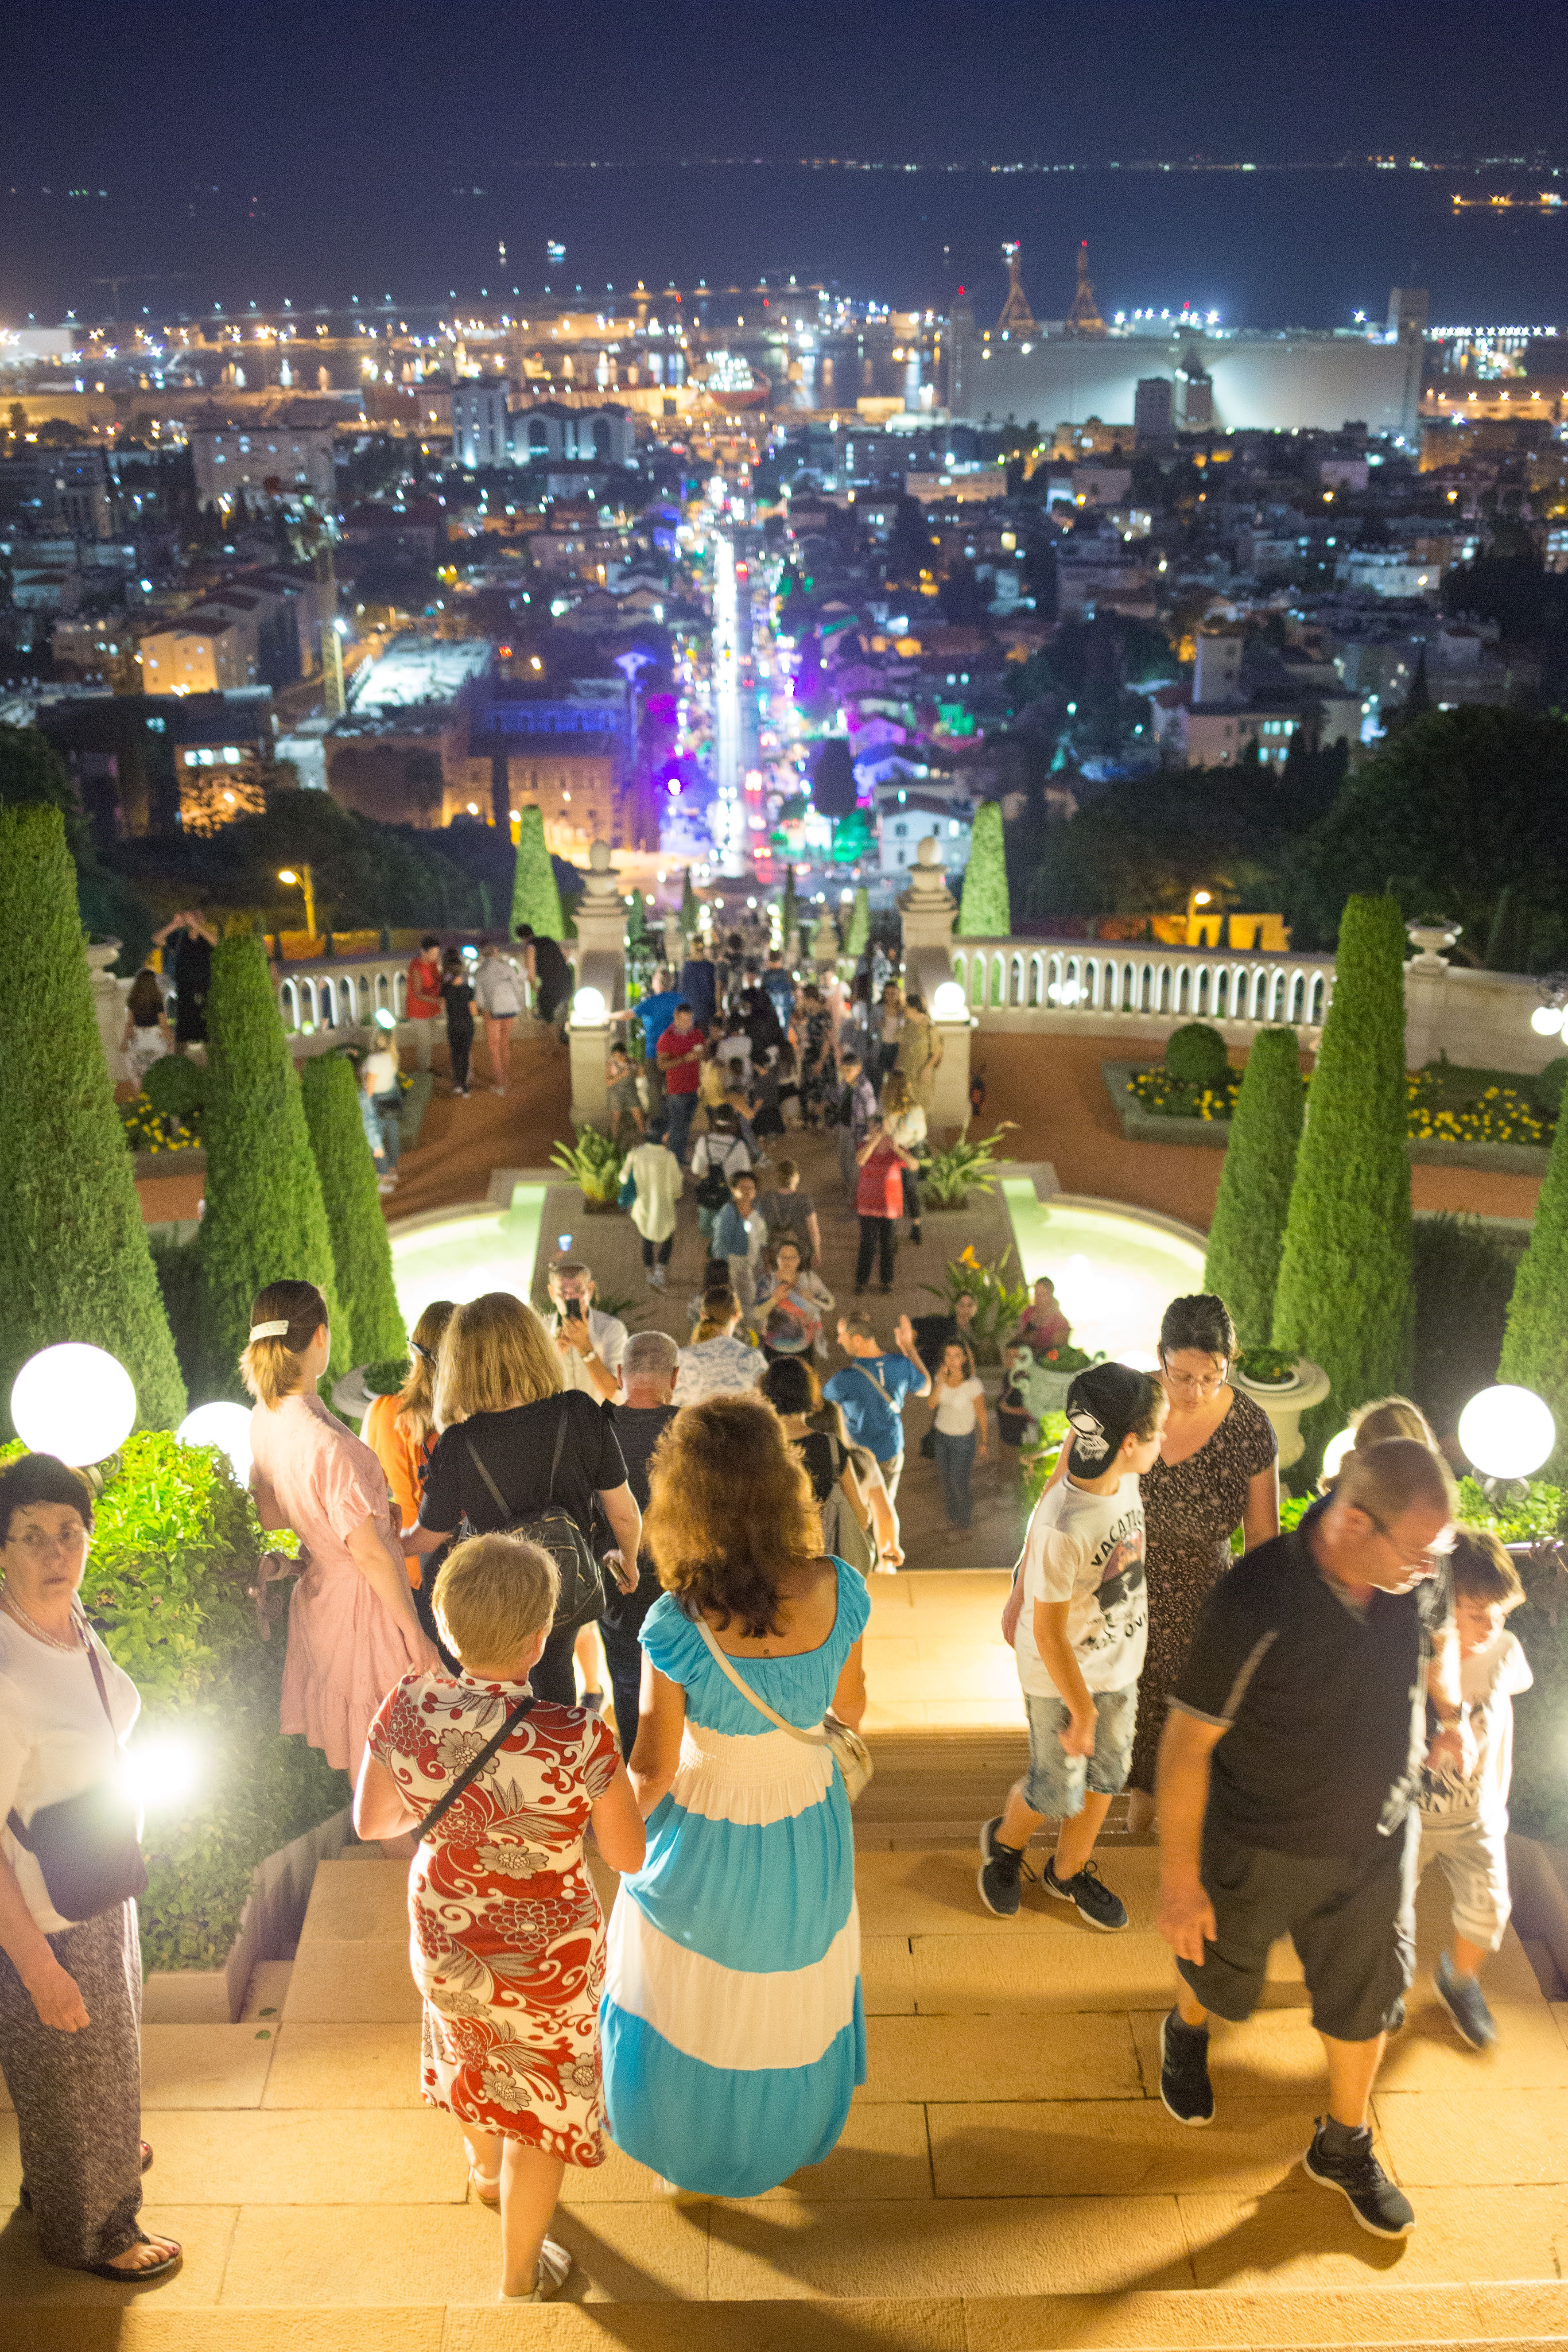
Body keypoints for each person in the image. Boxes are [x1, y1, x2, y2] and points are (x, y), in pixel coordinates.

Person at [1155, 1438, 1465, 2241]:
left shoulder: (1413, 1584)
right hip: (1260, 1837)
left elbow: (1440, 1647)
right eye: (1418, 1550)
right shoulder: (1257, 1598)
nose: (1430, 1570)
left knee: (1364, 1996)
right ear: (1354, 1521)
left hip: (1377, 1840)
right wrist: (1181, 1883)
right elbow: (1187, 1745)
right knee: (1216, 1973)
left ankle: (1343, 2143)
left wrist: (1450, 1717)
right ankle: (1186, 2029)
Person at [355, 1533, 645, 2304]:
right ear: (539, 1638)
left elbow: (374, 1820)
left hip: (445, 1929)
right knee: (541, 2108)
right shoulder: (578, 1739)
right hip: (549, 1954)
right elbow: (628, 1855)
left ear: (446, 1625)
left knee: (469, 2046)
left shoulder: (407, 1706)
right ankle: (519, 2278)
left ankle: (485, 2174)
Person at [601, 1393, 870, 2195]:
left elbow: (649, 1771)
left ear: (683, 1501)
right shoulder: (840, 1588)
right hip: (807, 1813)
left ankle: (693, 2153)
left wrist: (600, 1831)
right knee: (792, 1981)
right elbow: (849, 1711)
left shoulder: (675, 1626)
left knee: (698, 1997)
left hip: (710, 1823)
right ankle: (780, 2139)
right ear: (784, 1484)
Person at [0, 1454, 180, 2285]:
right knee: (75, 2062)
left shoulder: (66, 1622)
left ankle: (65, 2179)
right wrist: (36, 1965)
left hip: (100, 1877)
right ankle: (95, 2231)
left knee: (95, 2063)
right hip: (44, 1910)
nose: (52, 1552)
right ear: (2, 1548)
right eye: (31, 1536)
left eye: (67, 1532)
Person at [980, 1364, 1167, 1932]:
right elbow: (1047, 1633)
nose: (1165, 1441)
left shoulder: (1113, 1468)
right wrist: (1081, 1710)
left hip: (1116, 1665)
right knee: (1055, 1787)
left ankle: (1068, 1870)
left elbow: (1082, 1431)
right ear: (1131, 1443)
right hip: (1060, 1676)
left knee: (1107, 1778)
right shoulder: (1068, 1525)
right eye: (1158, 1433)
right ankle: (1005, 1845)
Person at [245, 1281, 438, 1786]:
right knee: (398, 1769)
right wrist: (414, 1635)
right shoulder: (329, 1443)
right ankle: (409, 1867)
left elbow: (271, 1513)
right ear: (320, 1338)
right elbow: (371, 1556)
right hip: (364, 1609)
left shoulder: (264, 1418)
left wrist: (361, 1512)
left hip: (320, 1599)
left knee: (367, 1757)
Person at [407, 1292, 640, 1706]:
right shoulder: (581, 1411)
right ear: (535, 1346)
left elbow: (428, 1537)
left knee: (504, 1698)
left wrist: (386, 1538)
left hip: (497, 1602)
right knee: (557, 1678)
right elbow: (624, 1513)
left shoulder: (458, 1443)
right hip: (564, 1588)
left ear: (462, 1361)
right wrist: (629, 1559)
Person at [1125, 1296, 1280, 1833]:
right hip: (1120, 1592)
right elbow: (1069, 1491)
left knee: (1183, 1725)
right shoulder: (1128, 1401)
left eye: (1211, 1378)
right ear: (1160, 1357)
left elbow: (1263, 1538)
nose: (1194, 1393)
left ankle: (1163, 1835)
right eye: (1181, 1376)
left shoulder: (1249, 1427)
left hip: (1202, 1601)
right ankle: (1133, 1828)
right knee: (1121, 1721)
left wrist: (1262, 1628)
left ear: (1228, 1363)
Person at [1416, 1526, 1532, 2051]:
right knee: (1382, 1907)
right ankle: (1378, 1986)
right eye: (1476, 1611)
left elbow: (1511, 1691)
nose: (1491, 1626)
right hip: (1411, 1814)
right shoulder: (1418, 1658)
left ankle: (1459, 1980)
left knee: (1490, 1909)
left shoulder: (1505, 1651)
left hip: (1477, 1814)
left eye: (1501, 1613)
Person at [598, 1330, 682, 1745]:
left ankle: (637, 1781)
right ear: (676, 1376)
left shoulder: (595, 1428)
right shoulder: (693, 1429)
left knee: (630, 1688)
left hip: (615, 1580)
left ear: (619, 1373)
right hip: (683, 1582)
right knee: (689, 1685)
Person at [362, 1300, 456, 1591]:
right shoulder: (467, 1425)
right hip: (460, 1573)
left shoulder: (381, 1411)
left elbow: (364, 1498)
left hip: (401, 1572)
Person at [760, 1357, 872, 1566]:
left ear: (767, 1394)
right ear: (808, 1393)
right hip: (819, 1566)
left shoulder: (754, 1447)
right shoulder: (831, 1447)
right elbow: (861, 1519)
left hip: (769, 1564)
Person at [825, 1312, 931, 1506]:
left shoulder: (845, 1379)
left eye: (842, 1335)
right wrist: (908, 1347)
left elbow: (819, 1403)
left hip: (860, 1457)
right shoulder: (902, 1364)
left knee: (859, 1510)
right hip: (892, 1450)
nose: (839, 1341)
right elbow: (926, 1389)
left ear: (857, 1340)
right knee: (886, 1508)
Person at [543, 1261, 627, 1404]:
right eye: (563, 1292)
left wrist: (586, 1348)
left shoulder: (612, 1329)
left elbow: (614, 1393)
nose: (570, 1299)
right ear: (552, 1293)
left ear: (591, 1290)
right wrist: (555, 1356)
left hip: (598, 1421)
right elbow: (528, 1391)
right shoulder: (539, 1330)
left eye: (578, 1291)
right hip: (555, 1422)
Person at [927, 1340, 989, 1532]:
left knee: (958, 1482)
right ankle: (952, 1519)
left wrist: (984, 1442)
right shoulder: (941, 1380)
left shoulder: (973, 1384)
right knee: (946, 1481)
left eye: (957, 1356)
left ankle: (964, 1524)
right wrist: (941, 1383)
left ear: (964, 1359)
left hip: (963, 1441)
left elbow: (982, 1414)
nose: (952, 1361)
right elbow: (931, 1404)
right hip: (942, 1438)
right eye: (948, 1355)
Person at [854, 1111, 917, 1295]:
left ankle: (887, 1282)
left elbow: (914, 1166)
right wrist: (875, 1141)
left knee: (887, 1244)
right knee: (867, 1244)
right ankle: (861, 1282)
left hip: (889, 1206)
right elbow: (860, 1160)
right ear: (870, 1129)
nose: (880, 1130)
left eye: (883, 1126)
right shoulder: (864, 1145)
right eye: (875, 1127)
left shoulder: (895, 1148)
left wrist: (897, 1149)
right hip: (868, 1205)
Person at [674, 1289, 766, 1404]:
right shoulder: (751, 1358)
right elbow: (765, 1404)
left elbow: (675, 1405)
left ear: (702, 1315)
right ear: (737, 1315)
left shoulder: (683, 1359)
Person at [756, 1235, 834, 1362]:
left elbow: (830, 1305)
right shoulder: (768, 1281)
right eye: (783, 1257)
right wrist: (774, 1299)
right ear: (777, 1259)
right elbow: (758, 1314)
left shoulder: (809, 1279)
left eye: (792, 1257)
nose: (788, 1261)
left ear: (799, 1260)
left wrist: (813, 1299)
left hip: (803, 1348)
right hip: (773, 1349)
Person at [151, 909, 217, 1054]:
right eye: (193, 916)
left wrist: (197, 926)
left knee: (210, 1032)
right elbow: (158, 939)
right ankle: (180, 1065)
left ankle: (212, 1064)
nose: (195, 918)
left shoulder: (207, 937)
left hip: (206, 990)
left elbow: (217, 944)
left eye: (199, 916)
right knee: (182, 1034)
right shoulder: (181, 937)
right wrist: (174, 925)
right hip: (185, 990)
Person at [623, 1130, 682, 1287]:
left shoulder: (635, 1153)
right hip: (664, 1205)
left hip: (644, 1205)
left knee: (647, 1238)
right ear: (664, 1136)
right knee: (668, 1237)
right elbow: (677, 1186)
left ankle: (650, 1275)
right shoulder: (669, 1157)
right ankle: (660, 1272)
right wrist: (676, 1194)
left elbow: (623, 1177)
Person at [690, 1106, 753, 1251]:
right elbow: (746, 1175)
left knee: (707, 1229)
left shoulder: (703, 1142)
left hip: (707, 1193)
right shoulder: (739, 1147)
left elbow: (695, 1169)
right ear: (733, 1123)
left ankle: (713, 1245)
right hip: (729, 1195)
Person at [880, 1068, 927, 1245]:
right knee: (910, 1189)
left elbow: (885, 1130)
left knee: (892, 1192)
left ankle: (891, 1235)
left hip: (892, 1152)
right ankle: (916, 1227)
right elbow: (922, 1134)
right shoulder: (915, 1109)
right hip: (911, 1152)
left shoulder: (887, 1105)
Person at [655, 1001, 706, 1164]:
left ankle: (680, 1156)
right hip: (677, 1089)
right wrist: (684, 1059)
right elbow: (661, 1065)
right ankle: (675, 1160)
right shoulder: (666, 1039)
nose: (688, 1024)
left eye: (690, 1020)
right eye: (684, 1020)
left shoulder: (697, 1034)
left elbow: (702, 1053)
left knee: (685, 1125)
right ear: (676, 1018)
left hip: (695, 1087)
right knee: (678, 1127)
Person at [714, 1168, 767, 1318]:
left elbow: (763, 1239)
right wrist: (724, 1272)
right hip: (736, 1266)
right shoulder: (728, 1213)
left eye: (751, 1188)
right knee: (745, 1303)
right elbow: (720, 1244)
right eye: (743, 1188)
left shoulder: (757, 1212)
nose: (748, 1192)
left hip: (754, 1265)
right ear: (733, 1190)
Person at [473, 943, 524, 1094]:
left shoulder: (480, 972)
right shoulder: (507, 968)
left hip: (492, 1011)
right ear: (495, 951)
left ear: (482, 953)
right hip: (510, 1008)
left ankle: (501, 1081)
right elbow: (518, 988)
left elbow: (480, 999)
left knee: (494, 1047)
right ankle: (506, 1077)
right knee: (504, 1042)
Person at [755, 1157, 823, 1269]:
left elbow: (759, 1229)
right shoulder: (805, 1200)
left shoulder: (766, 1198)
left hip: (775, 1251)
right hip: (800, 1252)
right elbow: (813, 1230)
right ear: (796, 1177)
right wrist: (817, 1252)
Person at [516, 923, 572, 1046]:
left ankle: (553, 1046)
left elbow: (530, 971)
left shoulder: (531, 948)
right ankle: (561, 1039)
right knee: (561, 1012)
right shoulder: (549, 940)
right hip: (566, 980)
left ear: (522, 938)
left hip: (550, 984)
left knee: (547, 1017)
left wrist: (533, 986)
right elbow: (566, 957)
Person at [834, 1049, 877, 1199]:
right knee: (843, 1158)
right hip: (845, 1127)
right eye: (844, 1070)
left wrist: (870, 1134)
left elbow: (871, 1113)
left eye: (849, 1070)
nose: (846, 1073)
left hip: (859, 1131)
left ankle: (854, 1196)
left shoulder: (865, 1088)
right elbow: (839, 1099)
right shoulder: (845, 1083)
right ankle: (849, 1188)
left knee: (856, 1163)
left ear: (859, 1068)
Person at [912, 1288, 982, 1379]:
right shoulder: (944, 1325)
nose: (966, 1309)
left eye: (970, 1305)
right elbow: (915, 1324)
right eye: (962, 1305)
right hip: (943, 1373)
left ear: (975, 1308)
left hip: (966, 1374)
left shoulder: (978, 1329)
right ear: (956, 1307)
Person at [894, 989, 943, 1113]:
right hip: (908, 1073)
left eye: (907, 1007)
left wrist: (926, 1069)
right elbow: (903, 1048)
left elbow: (937, 1052)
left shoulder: (929, 1028)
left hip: (922, 1074)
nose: (904, 1009)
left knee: (922, 1107)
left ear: (914, 1009)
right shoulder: (908, 1025)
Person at [120, 968, 171, 1086]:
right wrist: (170, 1038)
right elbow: (163, 1024)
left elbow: (130, 1024)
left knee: (137, 1067)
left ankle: (139, 1089)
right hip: (156, 1038)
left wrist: (125, 1041)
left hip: (139, 1039)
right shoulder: (158, 1001)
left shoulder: (133, 1001)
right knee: (158, 1067)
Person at [439, 949, 475, 1098]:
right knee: (465, 1054)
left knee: (456, 1053)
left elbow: (442, 1006)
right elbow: (473, 1011)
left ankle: (458, 1083)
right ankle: (463, 1084)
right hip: (467, 1024)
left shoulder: (445, 989)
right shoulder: (468, 990)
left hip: (453, 1024)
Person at [406, 935, 443, 1072]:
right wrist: (438, 1000)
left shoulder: (432, 963)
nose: (436, 956)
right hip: (418, 1011)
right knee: (425, 1042)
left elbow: (438, 980)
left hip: (430, 1009)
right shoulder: (417, 967)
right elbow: (417, 994)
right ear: (423, 952)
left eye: (437, 953)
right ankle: (423, 1070)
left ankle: (427, 1067)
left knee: (429, 1040)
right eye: (433, 953)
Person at [1015, 1277, 1073, 1362]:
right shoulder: (1028, 1312)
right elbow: (1018, 1336)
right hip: (1022, 1359)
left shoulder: (1060, 1322)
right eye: (1037, 1294)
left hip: (1044, 1364)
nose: (1038, 1298)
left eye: (1043, 1294)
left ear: (1051, 1295)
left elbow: (1059, 1354)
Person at [606, 1044, 645, 1153]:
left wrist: (638, 1068)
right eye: (616, 1056)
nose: (618, 1058)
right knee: (616, 1118)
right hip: (616, 1094)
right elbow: (609, 1083)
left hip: (631, 1092)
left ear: (625, 1054)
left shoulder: (632, 1062)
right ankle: (613, 1141)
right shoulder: (611, 1065)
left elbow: (641, 1075)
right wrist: (622, 1075)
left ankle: (643, 1136)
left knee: (638, 1113)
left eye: (621, 1055)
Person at [873, 979, 904, 1094]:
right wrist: (878, 1026)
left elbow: (904, 1031)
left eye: (893, 993)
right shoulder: (878, 1010)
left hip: (896, 1048)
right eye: (888, 993)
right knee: (879, 1078)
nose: (890, 997)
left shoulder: (902, 1012)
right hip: (881, 1047)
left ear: (898, 994)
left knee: (894, 1078)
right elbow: (870, 1030)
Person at [679, 941, 718, 1032]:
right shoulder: (709, 967)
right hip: (705, 1012)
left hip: (689, 1012)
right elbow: (711, 990)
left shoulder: (686, 967)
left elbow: (682, 990)